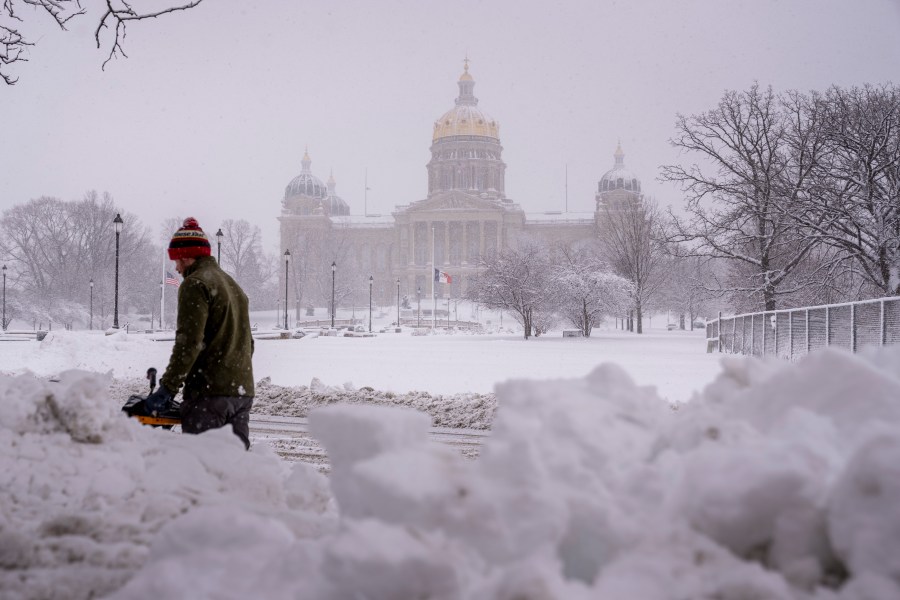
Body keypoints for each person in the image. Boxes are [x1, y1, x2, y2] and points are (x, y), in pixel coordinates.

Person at [145, 217, 255, 449]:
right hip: (241, 394)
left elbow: (189, 342)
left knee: (202, 473)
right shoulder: (232, 285)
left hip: (209, 395)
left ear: (186, 255)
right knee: (233, 471)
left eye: (176, 260)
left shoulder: (195, 284)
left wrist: (168, 388)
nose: (176, 268)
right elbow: (249, 343)